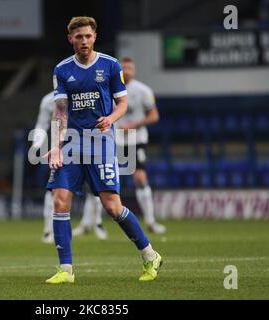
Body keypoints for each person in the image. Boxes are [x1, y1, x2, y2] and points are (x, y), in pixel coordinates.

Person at [44, 16, 163, 284]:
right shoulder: (62, 70)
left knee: (112, 206)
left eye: (88, 36)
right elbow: (61, 111)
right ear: (70, 40)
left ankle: (149, 255)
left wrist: (111, 118)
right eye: (78, 37)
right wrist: (55, 146)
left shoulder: (110, 65)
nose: (84, 41)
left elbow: (122, 102)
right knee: (60, 200)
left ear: (94, 37)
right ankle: (66, 270)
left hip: (101, 143)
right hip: (73, 142)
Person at [31, 91, 107, 243]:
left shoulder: (86, 94)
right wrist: (36, 144)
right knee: (54, 189)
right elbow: (42, 123)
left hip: (89, 146)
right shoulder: (47, 100)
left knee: (95, 189)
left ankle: (96, 223)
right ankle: (48, 230)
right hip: (62, 149)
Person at [116, 57, 166, 234]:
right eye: (123, 68)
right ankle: (92, 223)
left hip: (136, 140)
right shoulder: (109, 89)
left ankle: (151, 221)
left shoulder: (143, 90)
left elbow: (154, 116)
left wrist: (133, 125)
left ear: (134, 70)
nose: (127, 71)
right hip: (114, 139)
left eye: (129, 68)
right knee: (102, 180)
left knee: (139, 178)